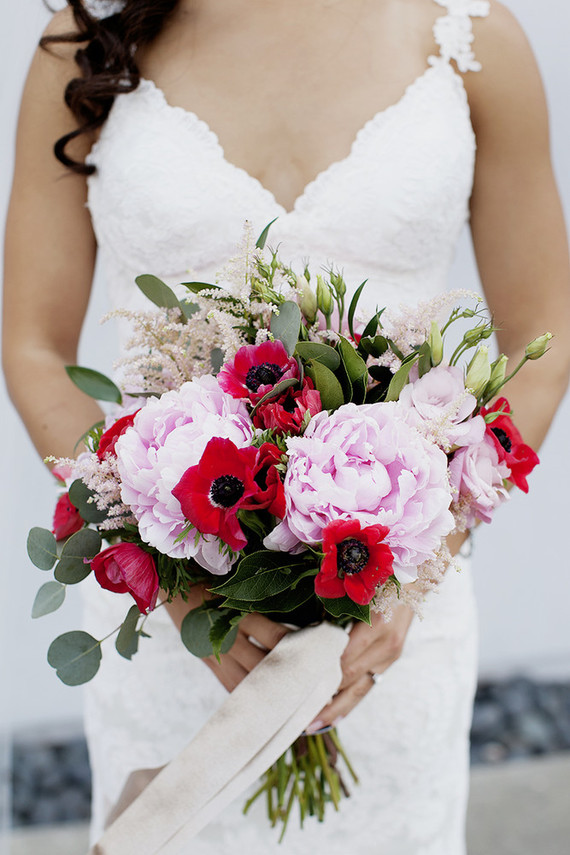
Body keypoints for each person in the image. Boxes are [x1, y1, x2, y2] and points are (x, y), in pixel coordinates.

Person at [3, 0, 570, 852]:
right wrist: (170, 575)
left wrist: (411, 573)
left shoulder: (472, 35)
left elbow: (544, 336)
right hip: (175, 634)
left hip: (391, 633)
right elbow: (35, 346)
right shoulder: (89, 42)